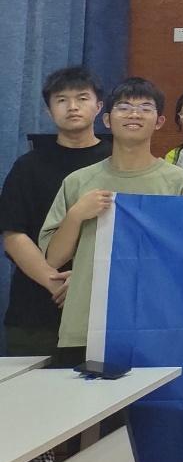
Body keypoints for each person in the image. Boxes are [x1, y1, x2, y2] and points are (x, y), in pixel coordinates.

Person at [39, 77, 183, 462]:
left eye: (145, 107)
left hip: (155, 329)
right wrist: (77, 214)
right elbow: (54, 255)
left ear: (160, 121)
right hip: (87, 325)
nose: (134, 114)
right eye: (125, 107)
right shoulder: (80, 181)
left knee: (153, 439)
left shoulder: (179, 182)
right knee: (87, 439)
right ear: (107, 119)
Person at [1, 67, 111, 358]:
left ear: (99, 106)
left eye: (82, 98)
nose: (72, 106)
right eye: (61, 100)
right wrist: (54, 281)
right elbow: (13, 234)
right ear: (49, 111)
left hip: (103, 309)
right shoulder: (28, 167)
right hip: (36, 310)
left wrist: (84, 281)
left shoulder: (117, 161)